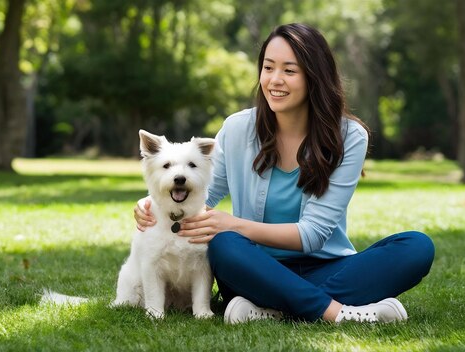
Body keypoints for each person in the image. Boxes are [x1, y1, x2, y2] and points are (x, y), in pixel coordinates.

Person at [134, 23, 434, 324]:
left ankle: (271, 311)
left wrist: (237, 224)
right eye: (268, 68)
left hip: (328, 265)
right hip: (253, 266)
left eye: (289, 71)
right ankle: (338, 313)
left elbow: (314, 234)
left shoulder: (350, 136)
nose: (275, 80)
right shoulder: (238, 129)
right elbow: (202, 193)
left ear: (315, 77)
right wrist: (150, 203)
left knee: (416, 247)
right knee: (225, 244)